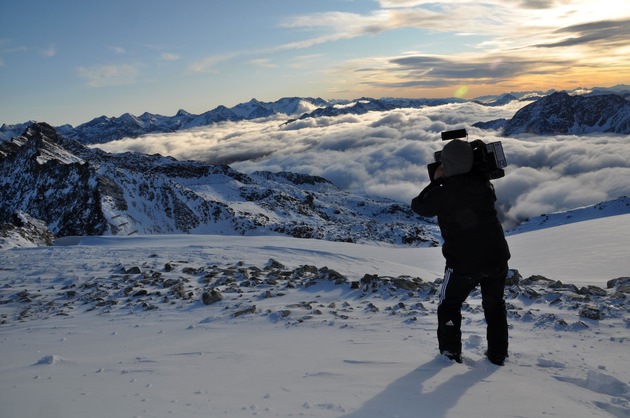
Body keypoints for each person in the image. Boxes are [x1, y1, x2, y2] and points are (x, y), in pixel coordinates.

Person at [411, 139, 511, 366]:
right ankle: (498, 355)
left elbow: (418, 205)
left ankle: (450, 353)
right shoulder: (483, 183)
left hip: (463, 263)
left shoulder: (443, 191)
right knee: (495, 307)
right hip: (497, 257)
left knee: (449, 306)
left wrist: (436, 182)